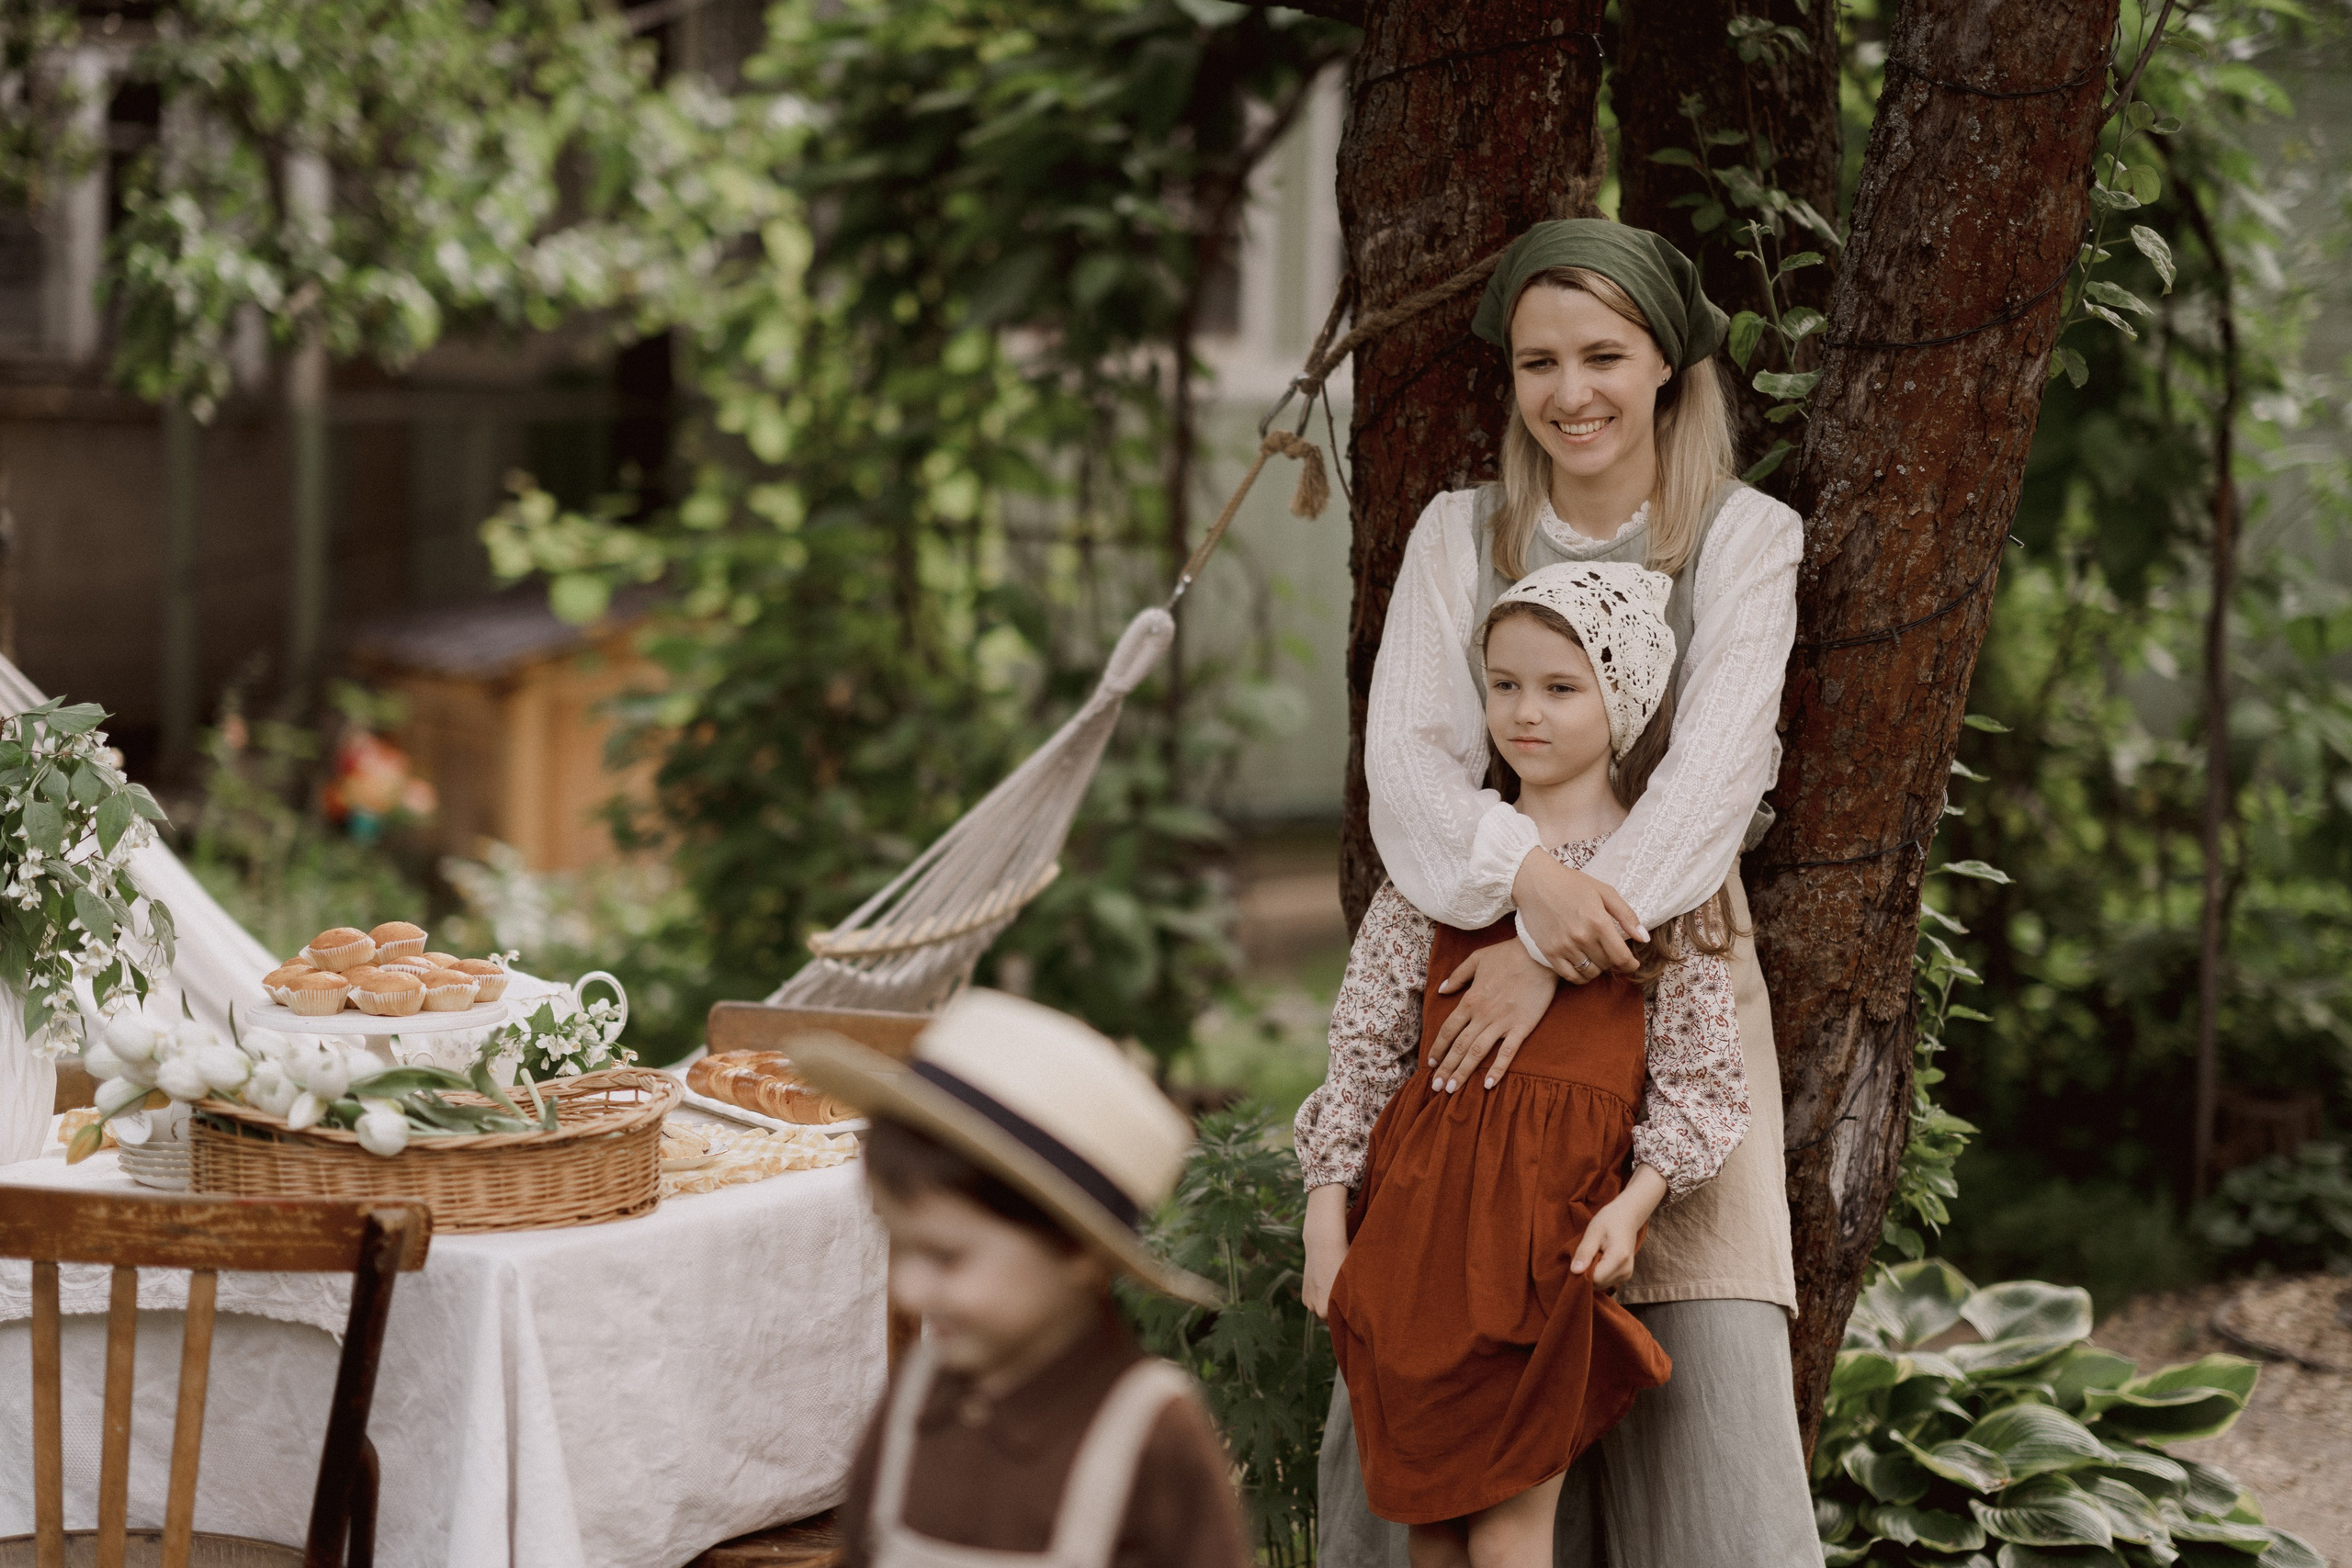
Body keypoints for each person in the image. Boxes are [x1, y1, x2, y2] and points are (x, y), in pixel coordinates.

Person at [1320, 218, 1819, 1568]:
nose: (1570, 391)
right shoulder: (1456, 534)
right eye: (1538, 361)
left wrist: (1571, 939)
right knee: (1449, 1318)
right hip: (1474, 976)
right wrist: (1529, 880)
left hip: (1671, 973)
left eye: (1603, 353)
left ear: (1666, 362)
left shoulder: (1743, 539)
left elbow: (1713, 778)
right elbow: (1410, 774)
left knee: (1700, 1324)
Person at [1296, 561, 1750, 1568]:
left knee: (1508, 1540)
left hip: (1544, 1243)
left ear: (1620, 698)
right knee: (1430, 1533)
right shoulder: (1437, 866)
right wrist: (1326, 1222)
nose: (1523, 713)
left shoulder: (1661, 874)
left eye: (1558, 687)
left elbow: (1700, 1079)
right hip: (1415, 1235)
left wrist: (1632, 1206)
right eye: (1503, 685)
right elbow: (1365, 1050)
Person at [793, 988, 1251, 1568]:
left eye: (947, 1257)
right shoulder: (917, 1400)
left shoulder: (1150, 1434)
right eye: (898, 1246)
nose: (908, 1289)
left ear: (1079, 1252)